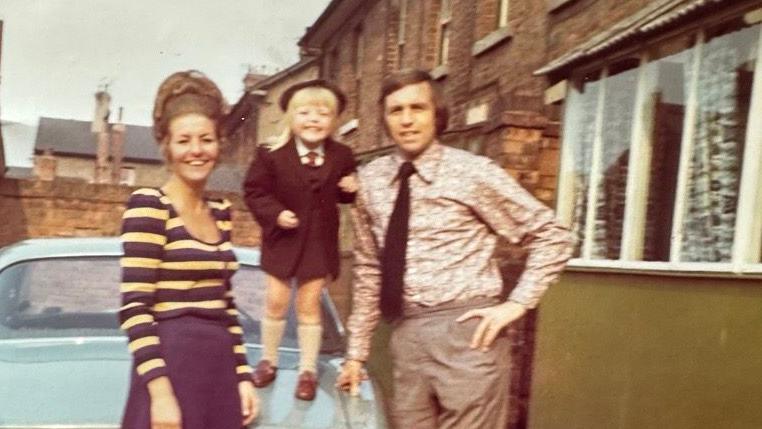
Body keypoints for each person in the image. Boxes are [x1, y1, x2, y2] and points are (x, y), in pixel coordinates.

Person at [336, 69, 574, 428]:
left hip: (467, 333)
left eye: (417, 108)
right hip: (406, 335)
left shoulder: (473, 172)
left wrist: (516, 304)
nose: (407, 120)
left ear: (437, 114)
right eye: (395, 110)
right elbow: (369, 268)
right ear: (385, 119)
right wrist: (356, 354)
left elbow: (552, 234)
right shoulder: (371, 181)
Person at [119, 70, 258, 429]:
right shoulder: (150, 205)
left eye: (206, 139)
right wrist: (161, 395)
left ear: (219, 144)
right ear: (167, 146)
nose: (196, 150)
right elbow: (135, 308)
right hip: (170, 366)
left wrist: (243, 376)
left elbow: (226, 306)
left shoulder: (222, 213)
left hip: (219, 370)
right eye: (184, 141)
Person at [242, 79, 358, 401]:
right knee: (276, 302)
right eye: (304, 112)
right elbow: (254, 192)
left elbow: (341, 193)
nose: (313, 119)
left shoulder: (342, 155)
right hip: (283, 238)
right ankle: (269, 361)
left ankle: (307, 370)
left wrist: (351, 187)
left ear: (334, 121)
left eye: (323, 114)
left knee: (309, 306)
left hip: (319, 242)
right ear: (291, 118)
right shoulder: (271, 154)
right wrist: (276, 214)